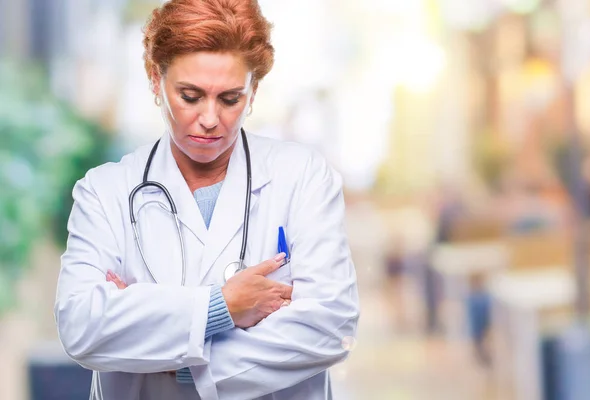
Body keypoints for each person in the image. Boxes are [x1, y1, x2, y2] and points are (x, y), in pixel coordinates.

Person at [53, 1, 360, 399]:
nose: (211, 118)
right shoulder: (106, 192)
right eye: (190, 95)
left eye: (230, 98)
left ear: (253, 92)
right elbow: (82, 327)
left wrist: (169, 354)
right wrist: (223, 307)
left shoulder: (302, 178)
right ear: (154, 79)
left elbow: (329, 327)